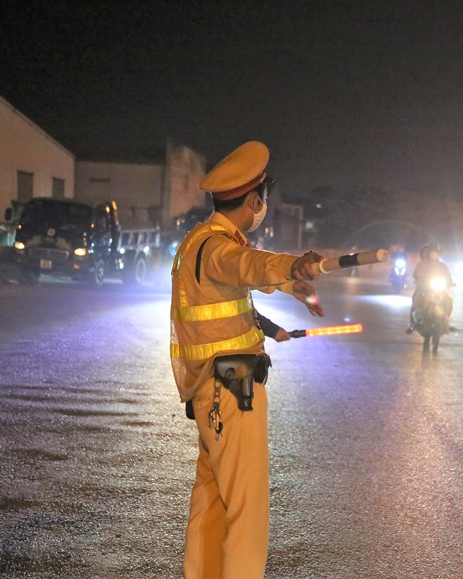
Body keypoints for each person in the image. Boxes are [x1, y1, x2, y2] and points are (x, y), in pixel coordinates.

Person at [170, 141, 325, 579]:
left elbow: (238, 291)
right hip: (233, 386)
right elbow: (247, 264)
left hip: (211, 387)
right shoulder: (216, 246)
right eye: (263, 199)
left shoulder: (197, 243)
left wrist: (287, 294)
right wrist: (294, 265)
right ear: (255, 200)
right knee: (246, 512)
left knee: (213, 502)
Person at [405, 243, 455, 333]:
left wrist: (450, 283)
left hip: (438, 290)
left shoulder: (443, 266)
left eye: (436, 253)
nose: (434, 254)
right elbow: (416, 275)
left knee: (448, 300)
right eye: (433, 252)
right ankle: (412, 323)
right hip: (423, 290)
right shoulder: (422, 264)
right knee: (416, 299)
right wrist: (418, 280)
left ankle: (445, 320)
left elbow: (448, 277)